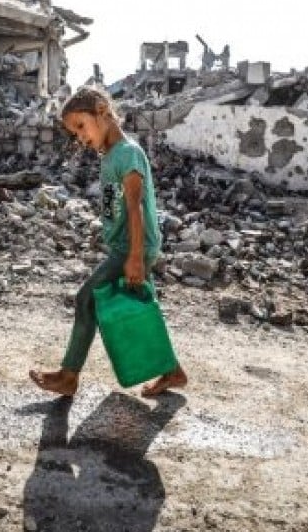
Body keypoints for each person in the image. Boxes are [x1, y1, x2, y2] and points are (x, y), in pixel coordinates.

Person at [30, 87, 189, 398]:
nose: (79, 137)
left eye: (80, 126)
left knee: (86, 299)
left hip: (133, 246)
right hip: (131, 245)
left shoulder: (127, 153)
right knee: (142, 309)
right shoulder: (113, 154)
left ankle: (69, 375)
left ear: (102, 111)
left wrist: (133, 256)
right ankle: (172, 371)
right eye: (73, 132)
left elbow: (135, 205)